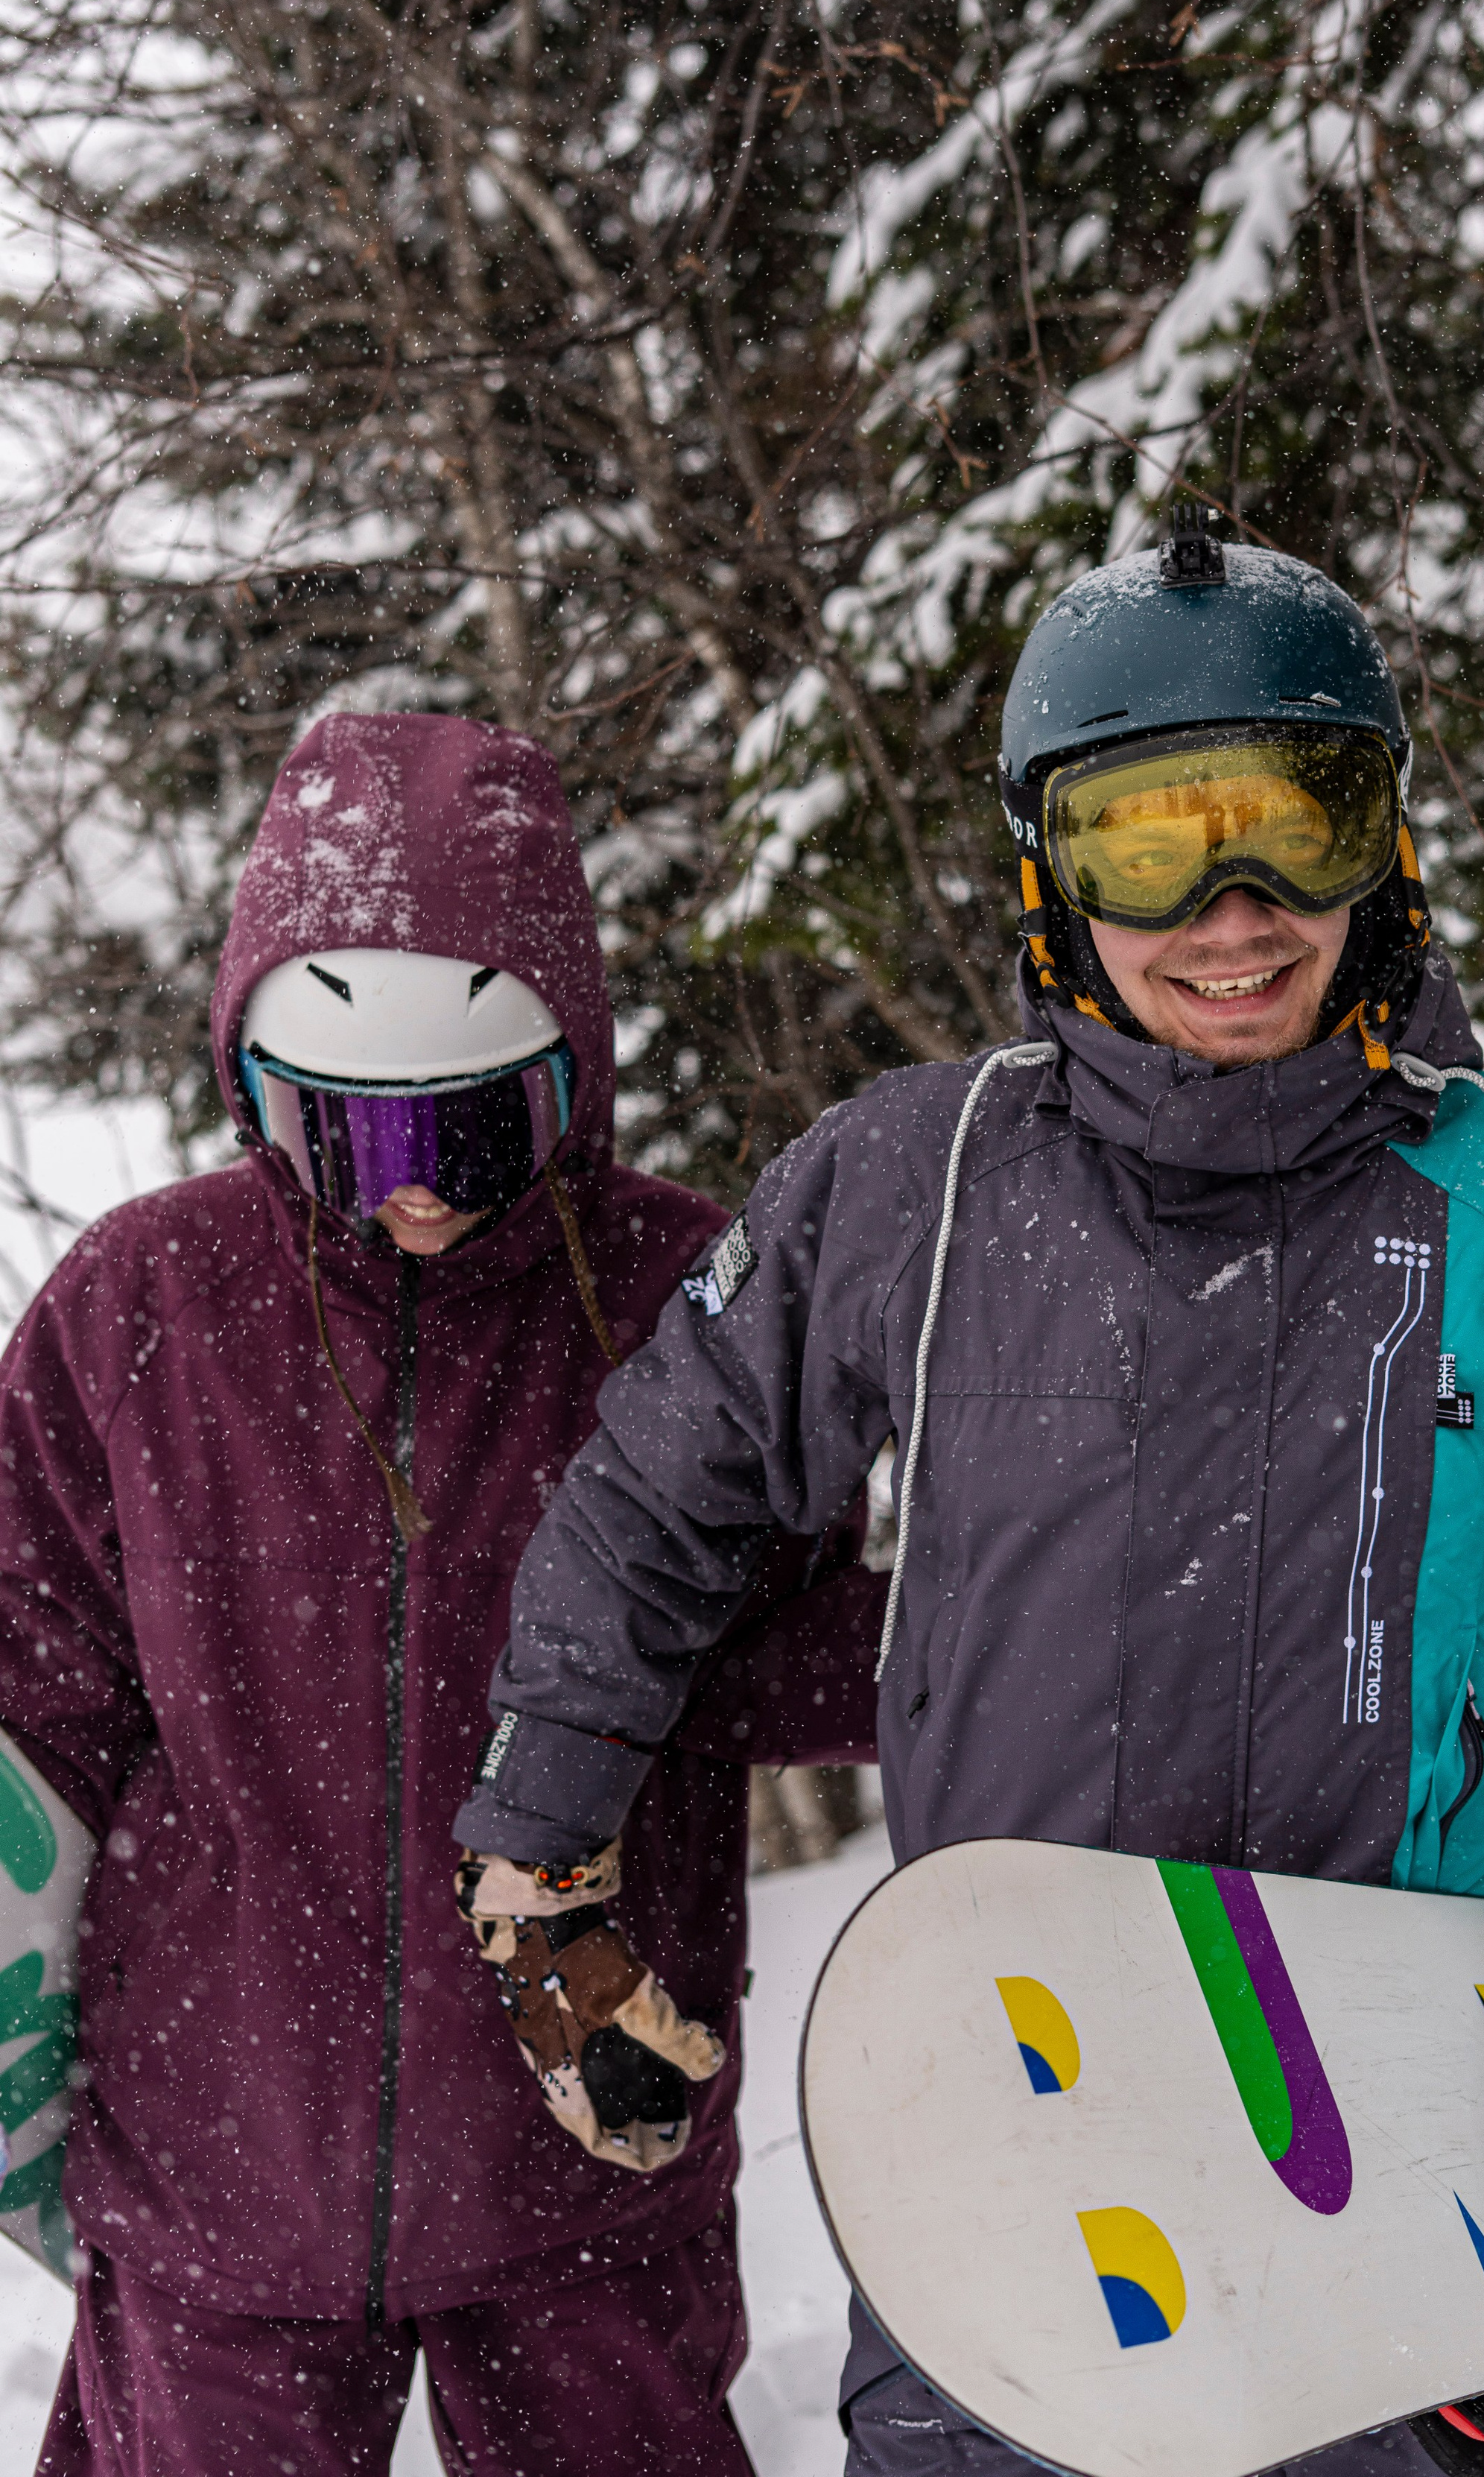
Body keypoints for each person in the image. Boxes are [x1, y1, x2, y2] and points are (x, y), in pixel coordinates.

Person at [454, 517, 1484, 2477]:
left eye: (1298, 816)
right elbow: (652, 1509)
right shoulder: (918, 1184)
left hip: (1446, 2191)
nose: (1232, 911)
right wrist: (542, 1860)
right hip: (1021, 2203)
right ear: (1053, 868)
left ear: (1382, 839)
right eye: (1148, 843)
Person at [0, 711, 878, 2475]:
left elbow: (785, 1647)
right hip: (221, 2154)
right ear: (252, 1086)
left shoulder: (674, 1295)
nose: (407, 1198)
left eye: (471, 1137)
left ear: (571, 1080)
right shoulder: (145, 1303)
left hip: (586, 2136)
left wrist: (1005, 1633)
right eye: (345, 1139)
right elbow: (34, 1698)